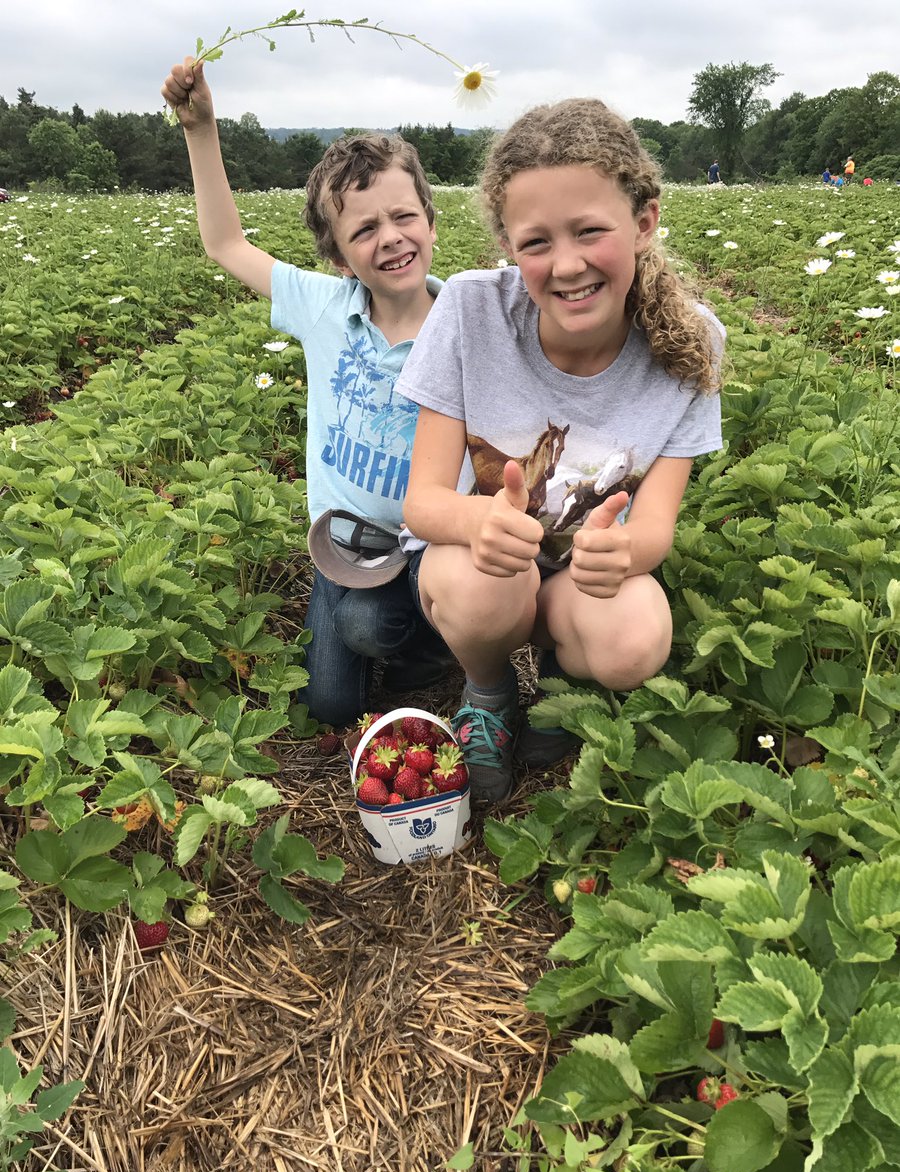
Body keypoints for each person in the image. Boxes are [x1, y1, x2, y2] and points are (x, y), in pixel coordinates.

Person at [398, 97, 724, 806]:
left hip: (581, 579)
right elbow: (422, 501)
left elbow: (656, 526)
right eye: (537, 241)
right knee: (477, 584)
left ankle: (558, 685)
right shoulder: (470, 310)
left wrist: (625, 553)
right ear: (509, 246)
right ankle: (487, 695)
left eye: (590, 231)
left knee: (637, 636)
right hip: (489, 571)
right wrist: (476, 522)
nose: (567, 264)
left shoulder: (692, 342)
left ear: (644, 222)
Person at [160, 56, 452, 728]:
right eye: (363, 231)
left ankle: (425, 653)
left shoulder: (464, 327)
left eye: (404, 216)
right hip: (346, 541)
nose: (392, 238)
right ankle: (386, 633)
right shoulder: (324, 308)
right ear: (338, 254)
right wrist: (201, 128)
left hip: (433, 547)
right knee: (330, 706)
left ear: (431, 222)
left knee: (383, 624)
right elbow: (226, 243)